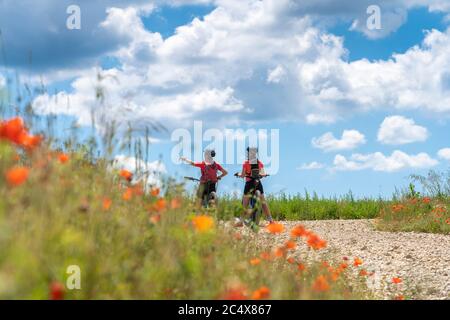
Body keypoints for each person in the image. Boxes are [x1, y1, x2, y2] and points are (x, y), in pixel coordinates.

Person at [235, 147, 274, 226]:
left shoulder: (246, 163)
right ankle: (271, 221)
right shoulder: (259, 163)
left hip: (249, 184)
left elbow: (242, 175)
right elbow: (263, 173)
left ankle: (240, 222)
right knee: (263, 202)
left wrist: (238, 174)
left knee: (245, 204)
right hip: (258, 183)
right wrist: (263, 175)